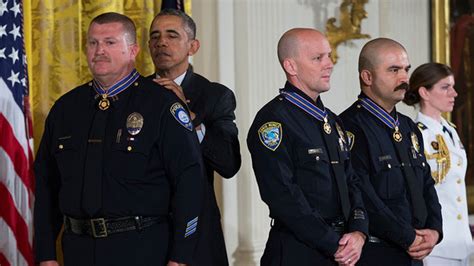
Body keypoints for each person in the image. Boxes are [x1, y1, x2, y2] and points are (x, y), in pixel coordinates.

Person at [34, 12, 205, 266]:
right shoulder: (66, 109)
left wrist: (180, 257)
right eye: (93, 43)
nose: (99, 50)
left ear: (133, 50)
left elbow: (189, 183)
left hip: (142, 248)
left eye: (110, 42)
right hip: (77, 250)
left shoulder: (161, 105)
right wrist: (46, 254)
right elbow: (46, 185)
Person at [247, 28, 368, 266]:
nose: (329, 64)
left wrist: (359, 231)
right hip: (300, 250)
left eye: (329, 56)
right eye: (318, 58)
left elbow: (352, 181)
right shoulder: (274, 122)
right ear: (291, 67)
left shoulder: (331, 121)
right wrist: (332, 244)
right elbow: (283, 195)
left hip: (343, 248)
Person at [147, 8, 241, 266]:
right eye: (155, 36)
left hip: (195, 227)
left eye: (172, 35)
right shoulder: (135, 93)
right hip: (142, 230)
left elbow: (228, 163)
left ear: (193, 46)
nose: (161, 42)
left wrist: (188, 117)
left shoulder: (213, 96)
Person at [339, 38, 443, 265]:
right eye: (393, 70)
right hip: (378, 252)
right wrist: (407, 237)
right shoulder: (349, 126)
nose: (404, 78)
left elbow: (426, 182)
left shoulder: (408, 126)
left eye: (406, 69)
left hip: (415, 253)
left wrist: (435, 230)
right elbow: (362, 193)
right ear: (367, 77)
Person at [404, 62, 474, 266]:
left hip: (461, 241)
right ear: (424, 92)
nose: (454, 93)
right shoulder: (417, 134)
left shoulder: (450, 130)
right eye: (445, 87)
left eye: (452, 86)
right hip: (437, 245)